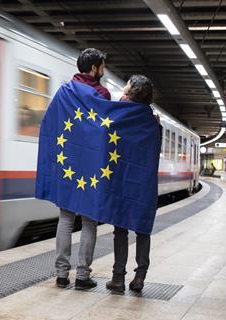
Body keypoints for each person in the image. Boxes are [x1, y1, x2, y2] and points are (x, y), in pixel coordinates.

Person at [55, 48, 111, 290]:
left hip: (68, 163)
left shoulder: (65, 91)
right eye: (102, 66)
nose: (104, 70)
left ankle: (60, 274)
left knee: (65, 219)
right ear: (94, 69)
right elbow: (106, 130)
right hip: (92, 166)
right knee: (89, 222)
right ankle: (82, 276)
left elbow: (54, 123)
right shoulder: (102, 93)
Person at [106, 74, 159, 292]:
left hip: (123, 180)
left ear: (132, 91)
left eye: (127, 84)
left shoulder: (122, 114)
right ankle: (140, 278)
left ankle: (118, 278)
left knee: (121, 230)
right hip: (145, 182)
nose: (124, 87)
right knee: (143, 229)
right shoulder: (153, 120)